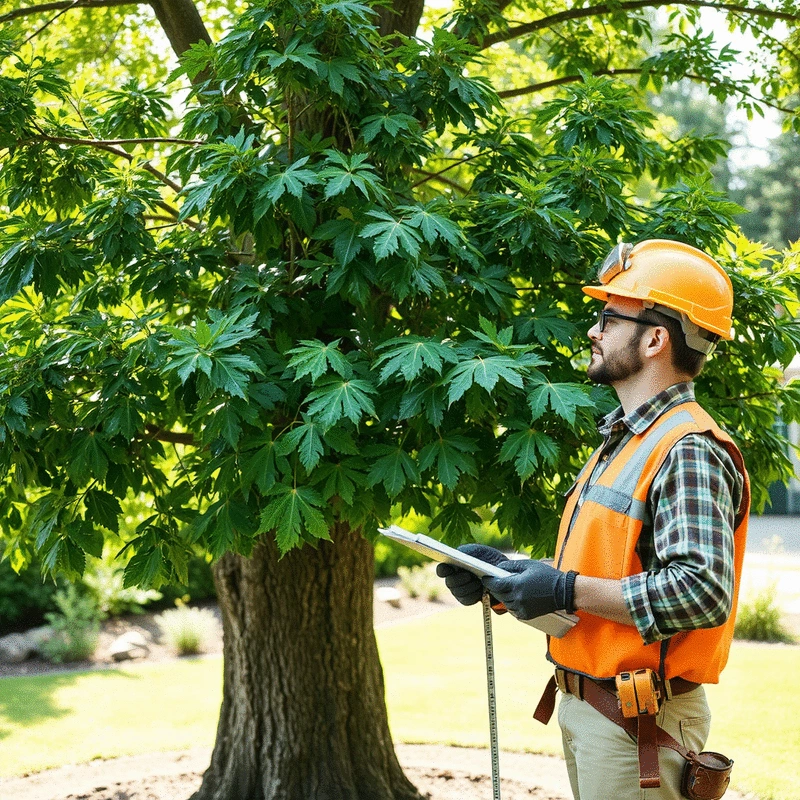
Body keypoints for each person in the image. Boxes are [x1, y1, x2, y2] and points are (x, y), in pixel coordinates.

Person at [437, 239, 749, 800]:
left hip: (640, 724)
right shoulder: (626, 440)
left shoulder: (688, 449)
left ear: (656, 338)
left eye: (609, 316)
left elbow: (701, 592)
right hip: (596, 711)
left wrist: (563, 588)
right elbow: (601, 573)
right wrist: (504, 579)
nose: (592, 331)